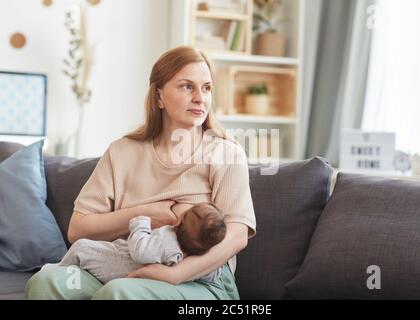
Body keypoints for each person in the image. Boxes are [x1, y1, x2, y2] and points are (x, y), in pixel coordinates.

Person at [25, 45, 256, 300]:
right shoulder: (122, 152)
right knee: (47, 280)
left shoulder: (226, 153)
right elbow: (78, 229)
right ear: (159, 97)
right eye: (187, 86)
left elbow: (236, 236)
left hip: (199, 281)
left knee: (119, 293)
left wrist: (175, 274)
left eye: (207, 88)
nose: (200, 98)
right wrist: (143, 214)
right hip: (119, 268)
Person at [56, 202, 226, 284]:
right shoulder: (192, 257)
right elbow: (212, 274)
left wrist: (141, 222)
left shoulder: (167, 241)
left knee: (81, 247)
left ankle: (59, 270)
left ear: (179, 221)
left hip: (110, 263)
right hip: (123, 275)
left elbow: (139, 250)